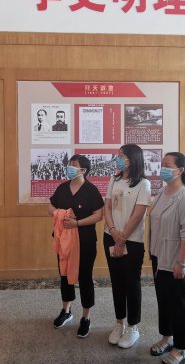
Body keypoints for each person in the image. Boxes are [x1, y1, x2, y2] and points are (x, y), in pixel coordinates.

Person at [148, 152, 185, 364]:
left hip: (176, 260)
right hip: (159, 256)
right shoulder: (162, 192)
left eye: (167, 165)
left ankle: (181, 347)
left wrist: (182, 263)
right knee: (164, 300)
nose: (163, 168)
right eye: (162, 164)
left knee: (179, 304)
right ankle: (167, 337)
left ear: (180, 170)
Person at [48, 154, 104, 337]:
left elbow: (99, 215)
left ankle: (86, 317)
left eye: (74, 165)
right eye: (69, 164)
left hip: (85, 241)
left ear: (83, 170)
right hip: (64, 241)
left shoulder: (91, 190)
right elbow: (50, 207)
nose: (69, 167)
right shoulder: (63, 187)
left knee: (85, 277)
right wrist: (61, 214)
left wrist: (77, 223)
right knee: (64, 274)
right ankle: (66, 311)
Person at [103, 144, 151, 349]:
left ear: (132, 159)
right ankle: (119, 323)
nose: (118, 158)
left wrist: (121, 239)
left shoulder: (143, 184)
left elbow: (138, 215)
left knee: (131, 283)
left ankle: (133, 327)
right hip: (110, 236)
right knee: (116, 282)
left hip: (132, 240)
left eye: (122, 156)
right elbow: (107, 207)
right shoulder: (113, 180)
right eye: (118, 155)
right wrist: (113, 231)